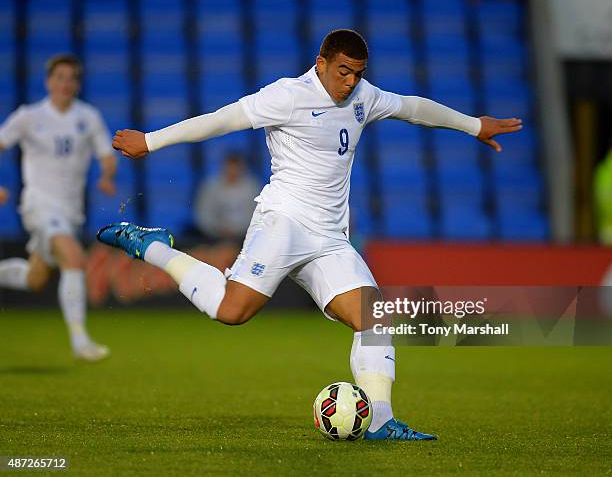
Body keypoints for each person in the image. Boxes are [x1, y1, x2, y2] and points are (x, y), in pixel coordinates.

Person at [99, 30, 522, 439]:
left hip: (331, 238)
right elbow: (221, 120)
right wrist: (150, 141)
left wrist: (472, 125)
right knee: (232, 312)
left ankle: (380, 421)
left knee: (374, 317)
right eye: (342, 71)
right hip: (283, 223)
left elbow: (411, 106)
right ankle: (153, 246)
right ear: (321, 63)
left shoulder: (363, 96)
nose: (350, 81)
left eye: (357, 72)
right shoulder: (287, 95)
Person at [0, 53, 117, 362]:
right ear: (48, 82)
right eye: (60, 77)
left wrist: (107, 176)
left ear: (78, 84)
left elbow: (107, 155)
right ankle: (80, 342)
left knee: (36, 278)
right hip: (38, 205)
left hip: (70, 212)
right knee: (75, 259)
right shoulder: (29, 116)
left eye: (72, 78)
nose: (66, 83)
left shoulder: (88, 117)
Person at [194, 153, 260, 244]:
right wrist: (218, 229)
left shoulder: (252, 188)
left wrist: (236, 230)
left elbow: (256, 214)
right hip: (213, 238)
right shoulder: (211, 187)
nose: (233, 172)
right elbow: (203, 214)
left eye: (236, 168)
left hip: (244, 238)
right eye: (230, 168)